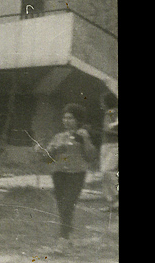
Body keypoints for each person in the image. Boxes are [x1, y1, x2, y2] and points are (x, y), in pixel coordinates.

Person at [37, 103, 98, 254]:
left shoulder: (83, 135)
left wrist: (85, 140)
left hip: (76, 175)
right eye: (64, 118)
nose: (66, 120)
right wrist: (40, 151)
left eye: (70, 118)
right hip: (59, 175)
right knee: (63, 208)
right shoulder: (58, 137)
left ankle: (62, 241)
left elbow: (91, 156)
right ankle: (68, 236)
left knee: (67, 205)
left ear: (78, 120)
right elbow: (48, 159)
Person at [99, 92, 118, 212]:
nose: (101, 104)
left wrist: (108, 130)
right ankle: (112, 203)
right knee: (105, 173)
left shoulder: (112, 112)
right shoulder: (110, 112)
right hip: (106, 145)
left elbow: (107, 128)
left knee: (107, 172)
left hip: (113, 145)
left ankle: (115, 199)